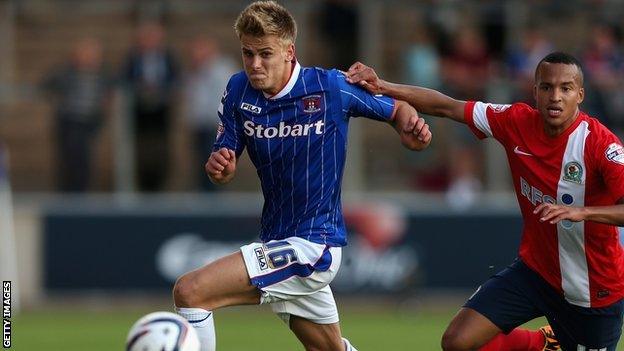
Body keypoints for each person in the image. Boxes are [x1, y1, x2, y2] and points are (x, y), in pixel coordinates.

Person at [172, 2, 432, 351]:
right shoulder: (237, 90)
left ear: (289, 51)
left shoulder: (330, 87)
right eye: (247, 53)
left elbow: (397, 107)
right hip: (276, 240)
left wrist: (410, 127)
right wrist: (221, 166)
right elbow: (224, 159)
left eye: (265, 54)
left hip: (314, 244)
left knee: (191, 292)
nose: (255, 64)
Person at [346, 52, 624, 351]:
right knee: (457, 341)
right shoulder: (515, 120)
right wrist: (383, 86)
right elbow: (447, 106)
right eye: (546, 87)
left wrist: (583, 211)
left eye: (565, 88)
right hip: (536, 273)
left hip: (594, 289)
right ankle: (543, 342)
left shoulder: (600, 145)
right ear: (535, 91)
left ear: (580, 94)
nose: (555, 96)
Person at [42, 38, 114, 192]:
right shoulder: (66, 72)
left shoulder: (103, 74)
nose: (89, 58)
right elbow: (46, 84)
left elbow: (115, 87)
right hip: (69, 120)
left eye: (92, 55)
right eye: (85, 54)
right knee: (70, 157)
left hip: (90, 120)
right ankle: (68, 191)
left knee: (83, 157)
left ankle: (81, 190)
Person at [122, 22, 178, 192]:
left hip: (161, 111)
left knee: (160, 148)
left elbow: (176, 79)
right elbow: (124, 79)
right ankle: (142, 184)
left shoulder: (168, 58)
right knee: (141, 148)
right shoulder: (133, 58)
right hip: (139, 111)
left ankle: (160, 183)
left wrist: (163, 90)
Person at [182, 36, 236, 191]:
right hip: (199, 126)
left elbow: (223, 100)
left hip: (214, 126)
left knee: (214, 166)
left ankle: (213, 200)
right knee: (201, 166)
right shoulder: (195, 72)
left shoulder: (222, 70)